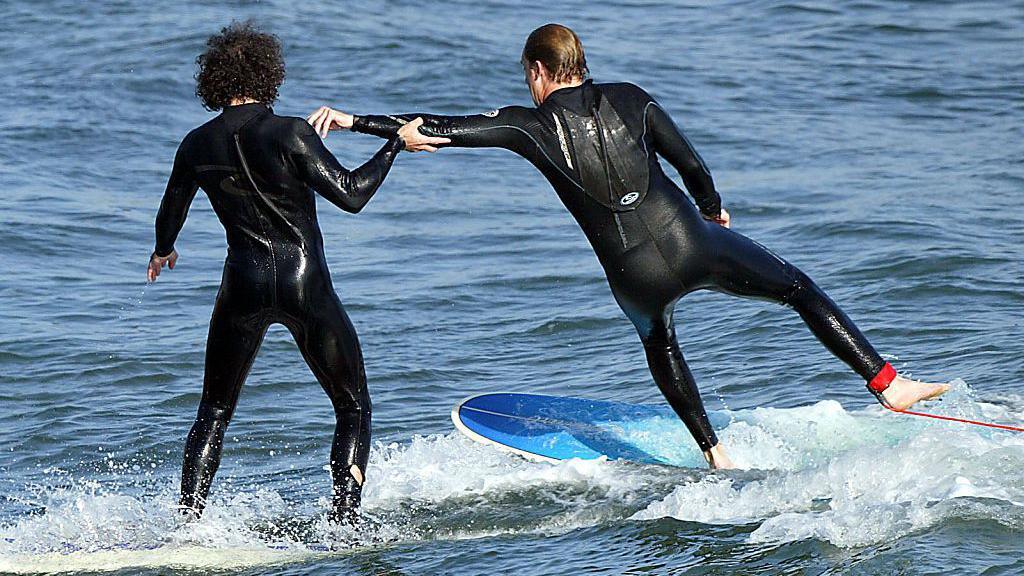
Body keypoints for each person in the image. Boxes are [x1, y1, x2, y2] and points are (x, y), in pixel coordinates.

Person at [307, 23, 949, 469]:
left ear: (538, 71)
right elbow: (692, 165)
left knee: (659, 341)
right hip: (692, 241)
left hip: (633, 275)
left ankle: (714, 452)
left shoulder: (527, 125)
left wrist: (352, 119)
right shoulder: (633, 99)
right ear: (580, 64)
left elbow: (441, 129)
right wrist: (713, 212)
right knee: (798, 289)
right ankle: (887, 384)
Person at [148, 22, 447, 522]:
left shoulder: (195, 144)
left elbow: (170, 208)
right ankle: (344, 524)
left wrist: (163, 250)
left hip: (240, 282)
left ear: (214, 81)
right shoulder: (289, 132)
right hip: (302, 280)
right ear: (269, 75)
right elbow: (352, 193)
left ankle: (189, 524)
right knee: (352, 406)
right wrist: (396, 143)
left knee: (214, 413)